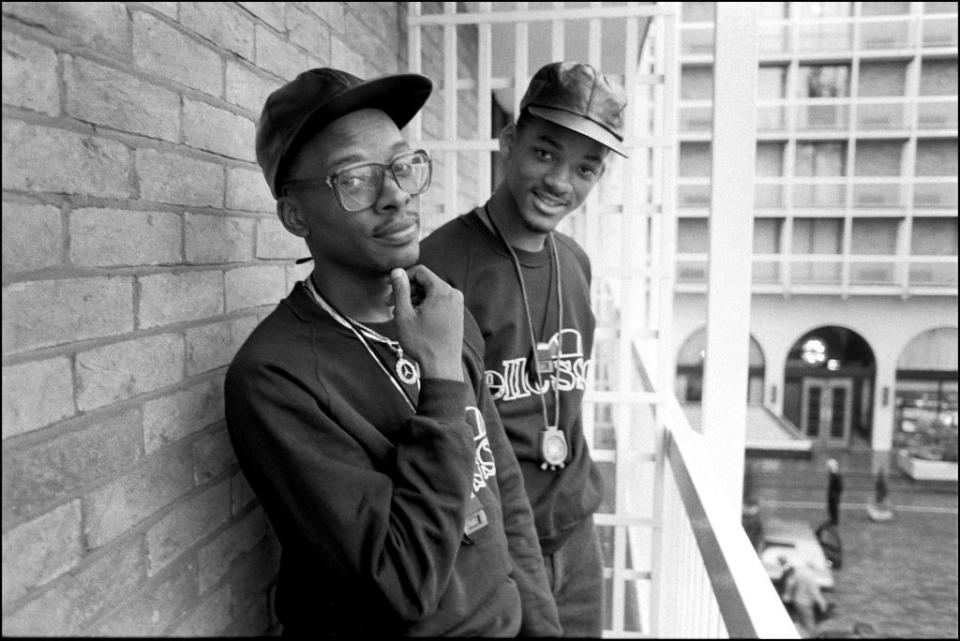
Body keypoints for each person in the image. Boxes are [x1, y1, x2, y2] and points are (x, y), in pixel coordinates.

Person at [225, 67, 562, 637]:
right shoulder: (275, 378)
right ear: (295, 215)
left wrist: (543, 628)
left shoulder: (443, 310)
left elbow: (501, 488)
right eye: (355, 178)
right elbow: (403, 583)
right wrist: (440, 382)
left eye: (403, 167)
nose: (396, 195)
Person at [420, 60, 628, 636]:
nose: (561, 181)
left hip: (576, 536)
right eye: (544, 153)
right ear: (509, 143)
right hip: (499, 549)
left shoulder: (576, 264)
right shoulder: (439, 268)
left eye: (586, 167)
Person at [779, 557, 831, 638]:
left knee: (799, 623)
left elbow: (790, 583)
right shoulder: (811, 577)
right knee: (810, 624)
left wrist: (787, 596)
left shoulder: (799, 572)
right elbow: (815, 592)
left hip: (796, 601)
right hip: (806, 603)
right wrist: (822, 603)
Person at [826, 458, 843, 526]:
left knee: (834, 511)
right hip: (832, 496)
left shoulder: (836, 476)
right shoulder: (833, 475)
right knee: (831, 511)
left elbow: (840, 487)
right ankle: (832, 521)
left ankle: (834, 521)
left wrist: (834, 495)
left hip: (834, 497)